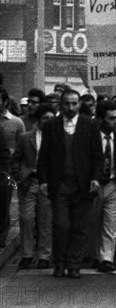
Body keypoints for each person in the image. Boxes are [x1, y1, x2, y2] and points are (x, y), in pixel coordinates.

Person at [37, 89, 103, 278]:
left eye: (74, 103)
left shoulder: (90, 125)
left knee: (79, 227)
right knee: (60, 225)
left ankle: (74, 265)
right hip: (60, 185)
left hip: (82, 185)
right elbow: (44, 157)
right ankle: (59, 263)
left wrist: (96, 179)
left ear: (79, 104)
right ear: (61, 105)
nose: (70, 107)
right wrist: (44, 181)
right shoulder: (51, 126)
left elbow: (98, 157)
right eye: (66, 103)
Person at [15, 103, 55, 270]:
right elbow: (15, 159)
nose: (49, 122)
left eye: (52, 119)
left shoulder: (57, 138)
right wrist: (18, 177)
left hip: (48, 183)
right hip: (29, 181)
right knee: (26, 218)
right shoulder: (26, 137)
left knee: (45, 220)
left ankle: (44, 255)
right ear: (38, 119)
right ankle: (27, 254)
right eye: (46, 118)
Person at [90, 101, 116, 273]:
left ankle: (106, 258)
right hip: (95, 185)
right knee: (94, 221)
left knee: (111, 223)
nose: (115, 122)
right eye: (111, 118)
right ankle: (96, 255)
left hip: (114, 184)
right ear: (101, 119)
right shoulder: (90, 136)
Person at [0, 86, 25, 247]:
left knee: (3, 206)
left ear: (5, 102)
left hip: (5, 171)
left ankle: (1, 237)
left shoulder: (16, 122)